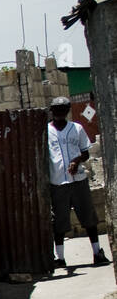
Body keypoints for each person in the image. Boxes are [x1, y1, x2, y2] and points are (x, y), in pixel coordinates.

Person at [46, 96, 110, 269]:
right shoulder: (46, 131)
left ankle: (97, 253)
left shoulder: (77, 128)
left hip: (78, 179)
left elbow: (86, 153)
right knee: (59, 220)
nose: (60, 113)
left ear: (67, 111)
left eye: (63, 110)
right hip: (57, 181)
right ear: (52, 112)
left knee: (88, 216)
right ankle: (60, 258)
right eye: (56, 110)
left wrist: (76, 161)